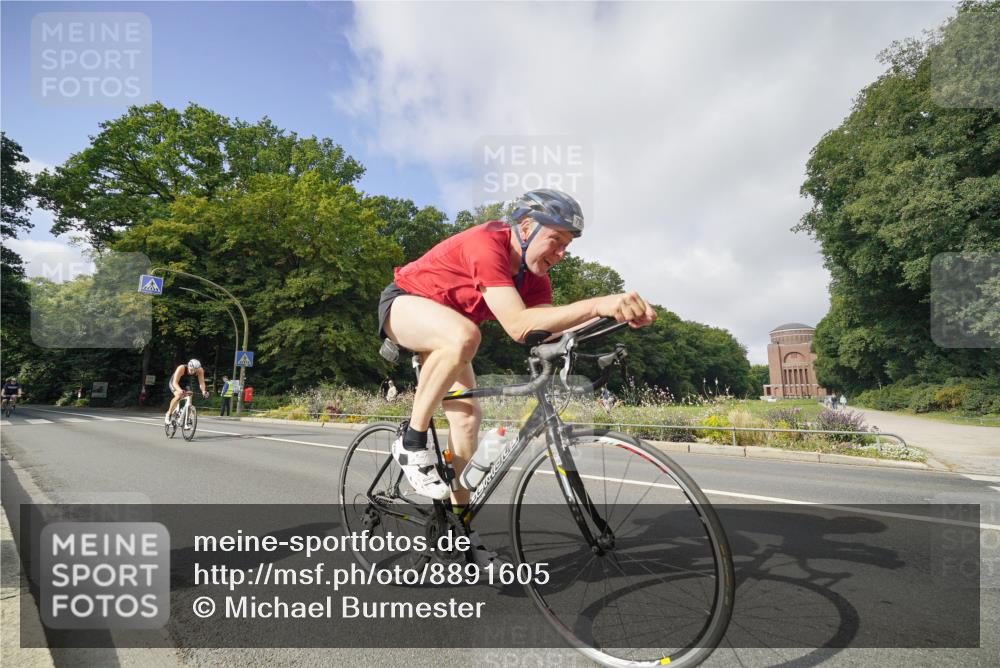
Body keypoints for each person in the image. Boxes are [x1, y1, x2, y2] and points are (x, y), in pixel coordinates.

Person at [380, 189, 656, 510]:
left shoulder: (535, 278)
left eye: (567, 245)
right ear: (525, 228)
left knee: (468, 419)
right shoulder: (486, 244)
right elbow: (517, 325)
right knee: (465, 336)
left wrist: (612, 317)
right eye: (556, 240)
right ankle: (411, 440)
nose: (561, 252)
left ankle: (460, 533)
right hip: (405, 303)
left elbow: (545, 332)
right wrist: (598, 303)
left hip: (451, 329)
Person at [165, 359, 208, 425]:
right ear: (188, 366)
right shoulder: (181, 368)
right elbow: (175, 382)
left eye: (194, 371)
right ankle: (169, 413)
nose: (192, 372)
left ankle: (186, 420)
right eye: (191, 370)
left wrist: (203, 391)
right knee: (178, 396)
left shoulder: (200, 370)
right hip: (175, 382)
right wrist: (179, 390)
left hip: (186, 383)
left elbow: (201, 382)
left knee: (190, 396)